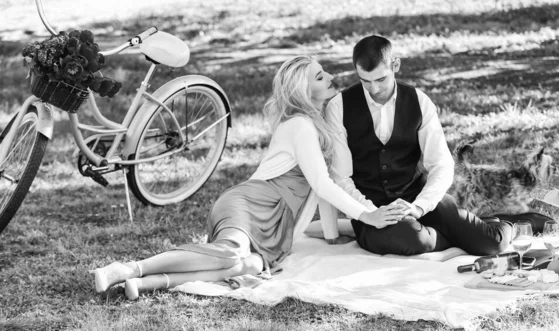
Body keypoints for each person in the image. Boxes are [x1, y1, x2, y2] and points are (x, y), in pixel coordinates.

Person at [91, 55, 406, 300]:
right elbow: (322, 183)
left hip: (277, 224)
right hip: (251, 204)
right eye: (321, 76)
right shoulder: (300, 126)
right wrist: (367, 215)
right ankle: (127, 268)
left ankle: (150, 283)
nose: (332, 77)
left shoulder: (318, 124)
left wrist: (332, 234)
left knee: (251, 266)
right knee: (231, 254)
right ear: (303, 88)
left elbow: (322, 189)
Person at [319, 35, 512, 256]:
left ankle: (509, 225)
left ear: (396, 65)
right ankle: (455, 235)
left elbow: (441, 164)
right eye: (365, 81)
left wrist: (419, 206)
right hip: (372, 210)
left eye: (381, 79)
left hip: (417, 197)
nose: (373, 89)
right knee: (416, 241)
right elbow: (340, 177)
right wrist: (371, 213)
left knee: (492, 244)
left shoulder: (420, 102)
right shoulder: (338, 108)